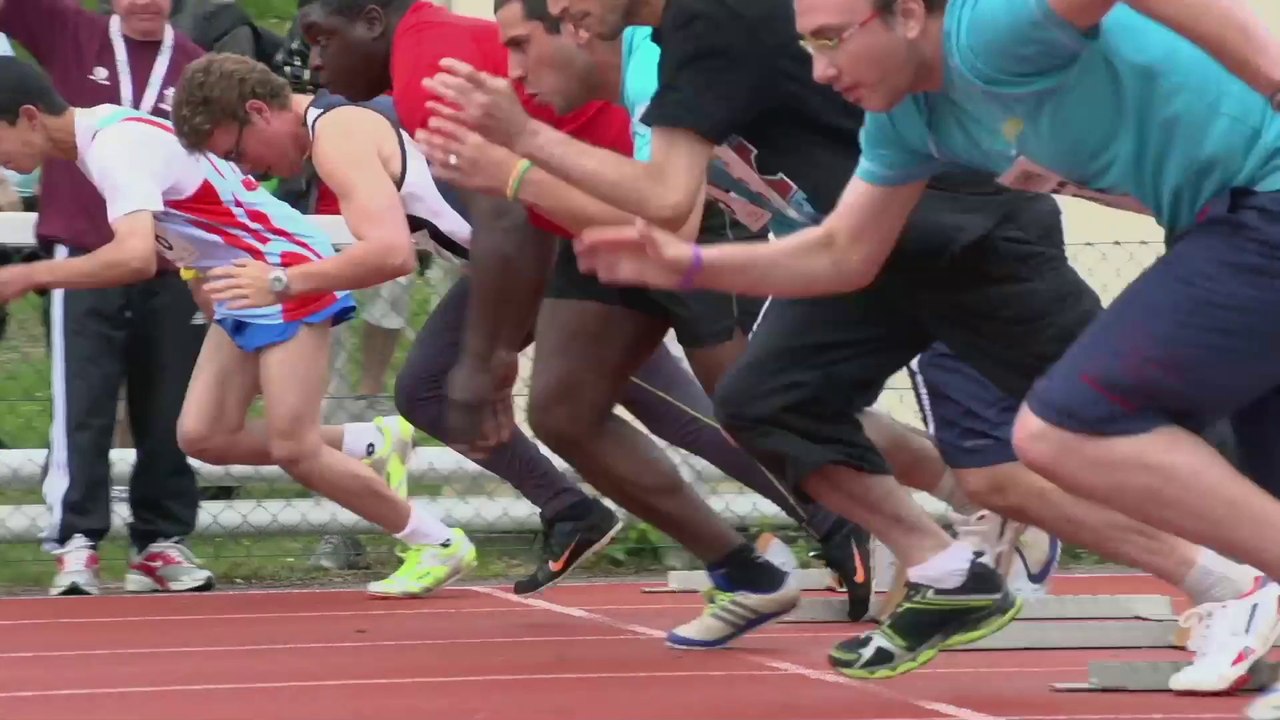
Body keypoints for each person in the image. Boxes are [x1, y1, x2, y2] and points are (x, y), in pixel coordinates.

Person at [422, 0, 1275, 683]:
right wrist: (682, 261)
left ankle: (1232, 581)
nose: (820, 69)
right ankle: (952, 575)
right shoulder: (889, 119)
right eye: (810, 46)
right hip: (898, 249)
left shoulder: (966, 34)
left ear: (903, 17)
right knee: (765, 399)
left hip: (981, 241)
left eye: (829, 40)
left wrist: (526, 154)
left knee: (1078, 435)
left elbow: (667, 195)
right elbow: (822, 247)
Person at [289, 0, 881, 644]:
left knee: (754, 402)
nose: (316, 63)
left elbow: (508, 218)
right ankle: (746, 569)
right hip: (576, 222)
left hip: (654, 205)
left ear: (373, 22)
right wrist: (491, 349)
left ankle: (895, 517)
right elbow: (518, 212)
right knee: (566, 409)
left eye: (322, 40)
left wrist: (488, 356)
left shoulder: (425, 69)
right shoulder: (421, 60)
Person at [0, 55, 478, 599]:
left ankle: (435, 541)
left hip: (284, 272)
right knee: (203, 436)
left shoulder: (113, 147)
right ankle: (369, 441)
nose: (0, 158)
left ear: (28, 117)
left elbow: (133, 257)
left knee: (294, 446)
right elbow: (196, 200)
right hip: (239, 285)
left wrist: (27, 276)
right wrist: (191, 267)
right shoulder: (104, 138)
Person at [0, 0, 216, 595]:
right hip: (81, 252)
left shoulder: (198, 66)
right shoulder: (73, 32)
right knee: (83, 404)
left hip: (173, 263)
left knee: (170, 406)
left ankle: (160, 541)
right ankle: (76, 542)